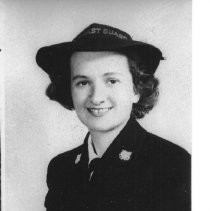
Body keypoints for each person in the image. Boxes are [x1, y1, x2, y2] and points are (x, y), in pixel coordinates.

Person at [36, 23, 191, 211]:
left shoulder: (172, 165)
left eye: (111, 81)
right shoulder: (61, 168)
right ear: (69, 91)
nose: (96, 97)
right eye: (83, 82)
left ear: (136, 89)